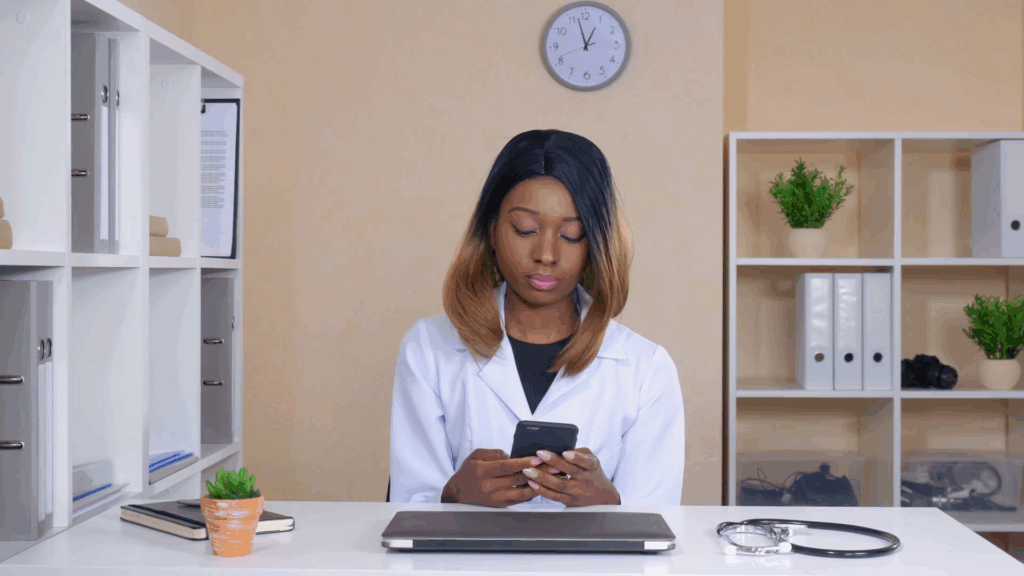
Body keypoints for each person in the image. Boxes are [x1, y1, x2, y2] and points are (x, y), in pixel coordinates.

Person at [389, 129, 685, 509]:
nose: (546, 253)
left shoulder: (646, 369)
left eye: (572, 234)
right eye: (525, 229)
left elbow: (655, 526)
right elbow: (407, 507)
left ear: (595, 244)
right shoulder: (428, 348)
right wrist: (451, 498)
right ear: (492, 230)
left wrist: (608, 504)